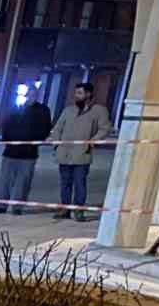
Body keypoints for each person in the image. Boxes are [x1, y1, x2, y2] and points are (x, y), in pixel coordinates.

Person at [48, 82, 112, 221]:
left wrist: (92, 142)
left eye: (80, 93)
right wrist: (56, 144)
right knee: (65, 183)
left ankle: (79, 211)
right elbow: (58, 128)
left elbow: (105, 128)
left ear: (88, 94)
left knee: (79, 183)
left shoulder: (99, 110)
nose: (76, 96)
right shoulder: (68, 110)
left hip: (82, 154)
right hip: (64, 153)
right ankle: (65, 209)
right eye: (76, 93)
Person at [0, 98, 53, 215]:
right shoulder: (15, 108)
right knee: (5, 180)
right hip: (10, 151)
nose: (30, 96)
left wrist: (36, 140)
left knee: (23, 181)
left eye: (33, 94)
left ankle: (17, 207)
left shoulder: (43, 110)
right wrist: (7, 140)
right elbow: (6, 125)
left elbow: (46, 128)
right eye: (29, 94)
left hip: (29, 153)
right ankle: (1, 205)